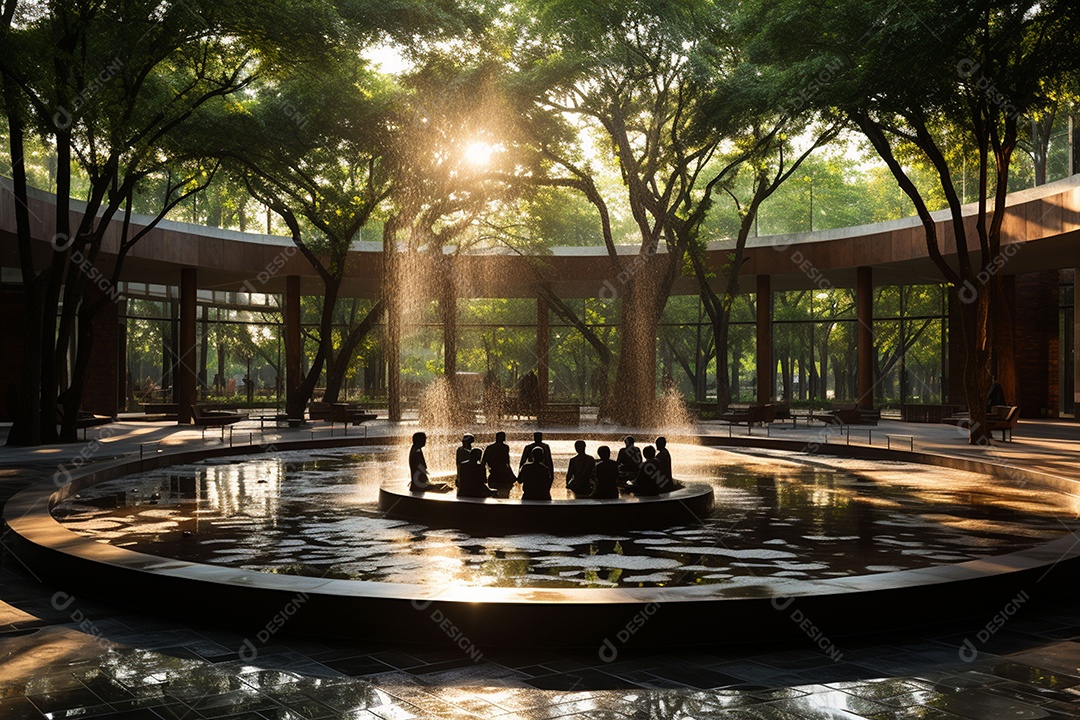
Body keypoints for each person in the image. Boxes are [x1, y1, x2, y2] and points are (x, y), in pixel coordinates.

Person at [482, 431, 516, 497]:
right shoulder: (505, 447)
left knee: (494, 494)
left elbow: (484, 462)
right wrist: (512, 475)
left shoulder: (489, 448)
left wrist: (483, 475)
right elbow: (507, 462)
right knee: (504, 494)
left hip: (493, 473)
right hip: (503, 474)